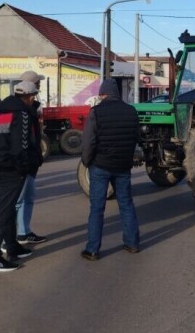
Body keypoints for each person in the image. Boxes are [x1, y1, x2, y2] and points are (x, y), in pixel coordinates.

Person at [0, 81, 42, 272]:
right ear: (31, 97)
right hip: (10, 169)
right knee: (4, 212)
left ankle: (12, 246)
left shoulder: (0, 110)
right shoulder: (21, 114)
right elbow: (21, 146)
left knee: (6, 208)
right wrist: (23, 169)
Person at [80, 78, 141, 261]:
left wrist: (86, 161)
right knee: (126, 204)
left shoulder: (96, 112)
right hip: (122, 166)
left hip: (100, 165)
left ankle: (92, 250)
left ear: (103, 94)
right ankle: (132, 243)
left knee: (97, 208)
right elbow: (135, 138)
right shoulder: (131, 112)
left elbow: (88, 142)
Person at [14, 70, 47, 244]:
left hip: (32, 160)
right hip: (23, 162)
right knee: (18, 199)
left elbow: (35, 135)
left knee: (29, 197)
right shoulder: (19, 110)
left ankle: (25, 231)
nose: (40, 86)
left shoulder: (32, 107)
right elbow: (21, 140)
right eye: (38, 84)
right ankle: (13, 237)